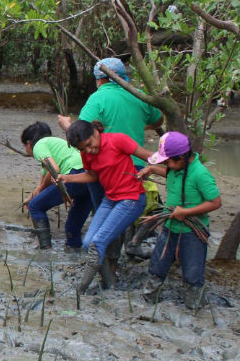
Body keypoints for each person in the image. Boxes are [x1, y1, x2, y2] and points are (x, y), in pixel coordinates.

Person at [60, 120, 153, 293]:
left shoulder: (118, 140)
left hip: (131, 199)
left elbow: (148, 156)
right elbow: (92, 176)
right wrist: (68, 178)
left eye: (89, 145)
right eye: (82, 149)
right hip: (110, 199)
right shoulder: (86, 154)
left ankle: (80, 291)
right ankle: (110, 285)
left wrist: (171, 162)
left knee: (98, 242)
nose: (88, 151)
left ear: (96, 132)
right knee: (88, 242)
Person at [138, 132, 221, 309]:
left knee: (192, 274)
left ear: (182, 158)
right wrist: (152, 169)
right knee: (157, 267)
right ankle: (147, 302)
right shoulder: (177, 168)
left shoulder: (200, 174)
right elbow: (170, 173)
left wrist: (187, 212)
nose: (166, 165)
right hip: (169, 228)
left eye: (168, 162)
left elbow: (215, 202)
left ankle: (194, 308)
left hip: (192, 233)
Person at [21, 122, 93, 251]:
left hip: (73, 174)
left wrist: (34, 200)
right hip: (90, 178)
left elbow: (54, 168)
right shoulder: (54, 143)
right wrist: (31, 196)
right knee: (72, 226)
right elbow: (43, 182)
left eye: (24, 146)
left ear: (29, 143)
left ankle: (45, 248)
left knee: (36, 206)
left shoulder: (38, 146)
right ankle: (74, 251)